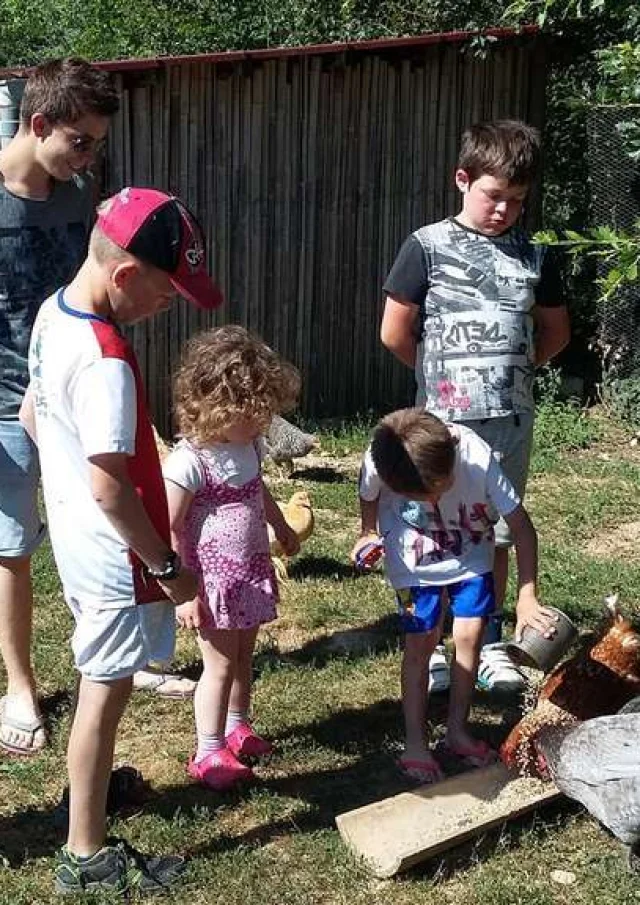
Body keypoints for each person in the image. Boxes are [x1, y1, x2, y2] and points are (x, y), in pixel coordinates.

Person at [20, 186, 223, 895]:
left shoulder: (54, 313)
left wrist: (67, 487)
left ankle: (93, 790)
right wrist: (165, 564)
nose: (174, 304)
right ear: (126, 275)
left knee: (99, 685)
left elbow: (30, 412)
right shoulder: (107, 359)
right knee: (101, 698)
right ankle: (84, 854)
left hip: (81, 545)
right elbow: (112, 488)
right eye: (170, 290)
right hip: (113, 557)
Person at [380, 120, 571, 694]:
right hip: (442, 422)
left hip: (508, 421)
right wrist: (441, 380)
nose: (503, 210)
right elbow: (395, 330)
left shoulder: (536, 254)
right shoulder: (426, 246)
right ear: (463, 179)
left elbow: (556, 332)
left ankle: (486, 642)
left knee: (495, 529)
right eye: (493, 196)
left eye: (517, 201)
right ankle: (431, 641)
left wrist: (510, 372)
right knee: (430, 523)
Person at [0, 58, 120, 755]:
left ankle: (104, 654)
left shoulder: (77, 196)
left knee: (99, 525)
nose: (88, 156)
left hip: (71, 395)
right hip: (3, 404)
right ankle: (20, 682)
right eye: (80, 140)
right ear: (37, 123)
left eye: (96, 143)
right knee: (12, 547)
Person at [351, 407, 556, 783]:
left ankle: (457, 731)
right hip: (413, 567)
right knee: (420, 645)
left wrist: (527, 596)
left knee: (469, 637)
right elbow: (367, 494)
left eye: (435, 491)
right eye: (415, 497)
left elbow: (523, 530)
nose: (429, 503)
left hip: (471, 559)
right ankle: (415, 742)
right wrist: (367, 531)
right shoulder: (381, 455)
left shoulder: (476, 456)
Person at [162, 325, 301, 791]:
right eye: (254, 413)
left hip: (250, 570)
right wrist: (181, 593)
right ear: (218, 409)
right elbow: (170, 527)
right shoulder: (189, 462)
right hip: (212, 581)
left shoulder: (246, 446)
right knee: (218, 664)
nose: (263, 423)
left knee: (244, 655)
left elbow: (257, 488)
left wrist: (280, 526)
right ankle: (207, 751)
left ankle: (237, 726)